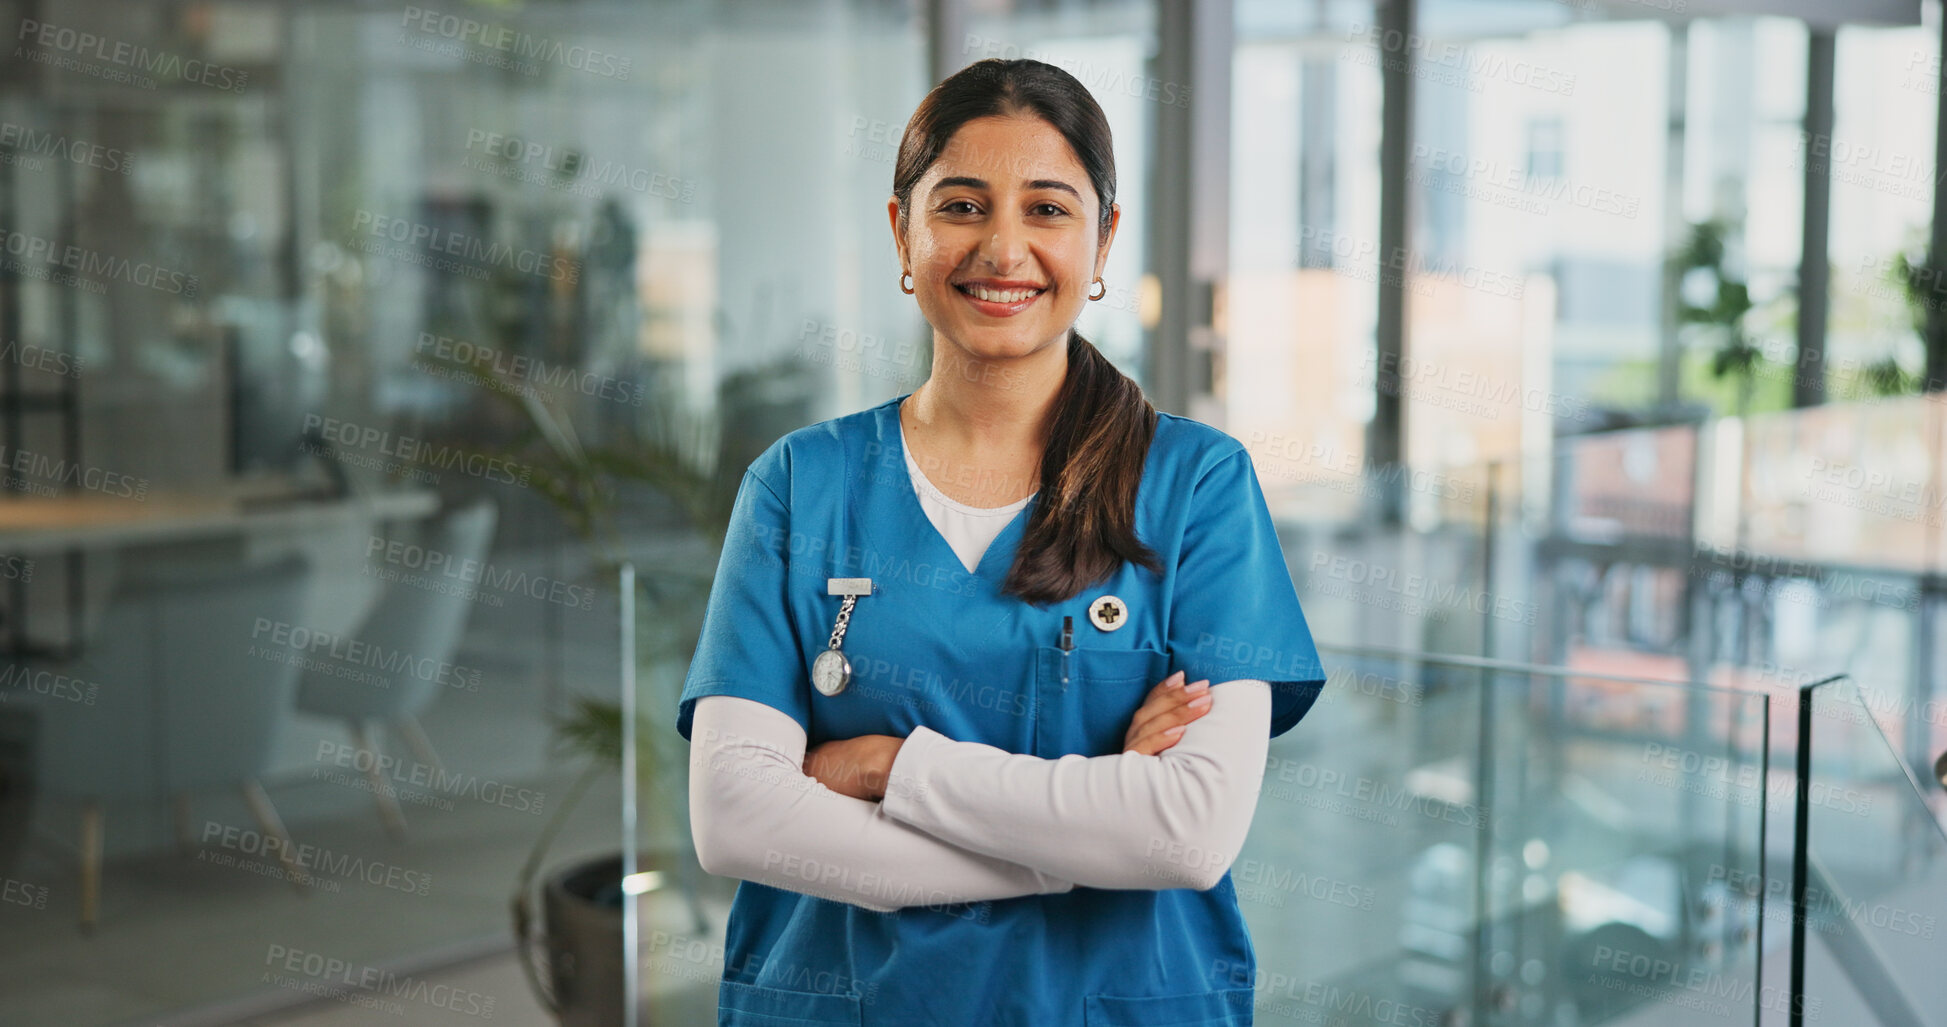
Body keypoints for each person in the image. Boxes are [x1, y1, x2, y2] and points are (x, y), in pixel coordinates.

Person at [677, 57, 1326, 1027]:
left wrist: (888, 770)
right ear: (904, 231)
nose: (1004, 248)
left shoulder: (1197, 489)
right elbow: (737, 815)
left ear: (1103, 239)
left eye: (1049, 209)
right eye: (964, 206)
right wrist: (1082, 842)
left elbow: (1188, 834)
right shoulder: (799, 485)